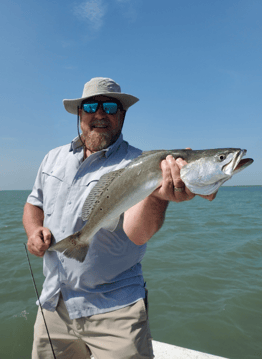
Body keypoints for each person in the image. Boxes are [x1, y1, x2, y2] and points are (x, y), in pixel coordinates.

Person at [23, 77, 216, 359]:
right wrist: (33, 230)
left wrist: (156, 196)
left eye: (110, 107)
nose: (100, 113)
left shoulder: (139, 163)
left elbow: (137, 234)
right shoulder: (52, 158)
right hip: (54, 304)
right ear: (80, 113)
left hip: (115, 311)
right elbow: (33, 204)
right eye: (91, 106)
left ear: (122, 114)